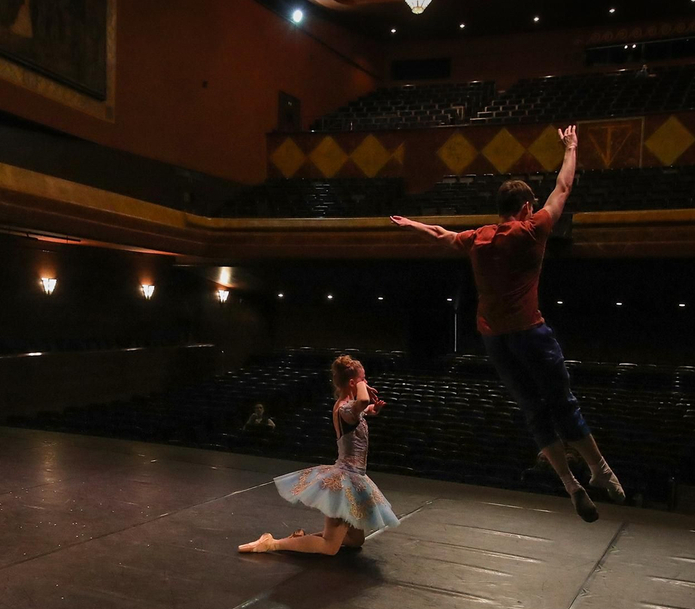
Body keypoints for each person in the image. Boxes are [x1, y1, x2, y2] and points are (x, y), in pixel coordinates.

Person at [392, 124, 624, 522]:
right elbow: (563, 187)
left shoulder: (479, 237)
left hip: (494, 339)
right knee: (561, 402)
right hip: (530, 332)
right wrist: (570, 148)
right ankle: (599, 468)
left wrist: (412, 225)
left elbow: (441, 235)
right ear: (526, 207)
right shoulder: (532, 230)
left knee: (533, 411)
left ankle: (570, 484)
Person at [240, 355, 399, 554]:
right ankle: (272, 543)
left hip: (356, 476)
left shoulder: (350, 407)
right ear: (352, 383)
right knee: (330, 547)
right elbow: (362, 401)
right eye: (362, 379)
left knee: (355, 539)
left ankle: (299, 540)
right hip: (345, 480)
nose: (366, 383)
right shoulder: (345, 408)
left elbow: (363, 407)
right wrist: (362, 388)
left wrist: (372, 409)